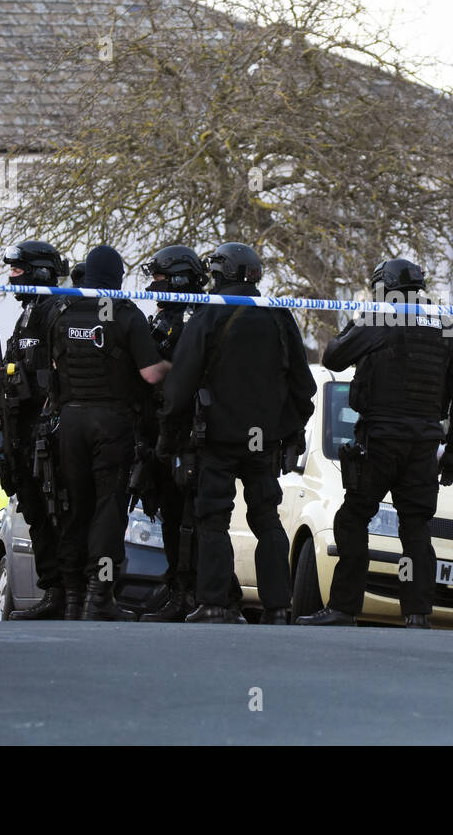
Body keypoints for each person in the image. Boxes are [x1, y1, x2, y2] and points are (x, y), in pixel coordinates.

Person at [297, 259, 453, 629]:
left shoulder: (380, 318)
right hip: (424, 445)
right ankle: (416, 613)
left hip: (380, 440)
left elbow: (333, 356)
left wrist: (360, 321)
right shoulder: (445, 326)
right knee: (415, 529)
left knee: (352, 519)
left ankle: (345, 608)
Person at [159, 242, 315, 624]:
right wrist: (288, 430)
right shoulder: (277, 315)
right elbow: (303, 385)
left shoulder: (210, 314)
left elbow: (181, 382)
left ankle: (214, 603)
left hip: (217, 437)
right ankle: (279, 607)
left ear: (221, 273)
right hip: (264, 441)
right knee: (267, 520)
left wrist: (170, 437)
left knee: (213, 519)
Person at [48, 245, 169, 621]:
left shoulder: (62, 311)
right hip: (110, 423)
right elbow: (150, 374)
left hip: (68, 421)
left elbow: (52, 364)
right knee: (107, 509)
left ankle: (71, 597)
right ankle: (99, 598)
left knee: (73, 507)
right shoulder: (126, 314)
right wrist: (174, 363)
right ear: (117, 276)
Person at [135, 245, 213, 623]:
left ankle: (188, 591)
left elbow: (175, 373)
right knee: (168, 513)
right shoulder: (173, 316)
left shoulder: (193, 319)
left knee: (184, 516)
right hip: (161, 429)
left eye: (161, 279)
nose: (154, 285)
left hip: (185, 433)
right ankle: (177, 582)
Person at [0, 241, 70, 620]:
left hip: (45, 432)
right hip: (22, 433)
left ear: (40, 271)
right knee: (37, 515)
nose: (12, 278)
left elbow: (58, 375)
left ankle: (66, 592)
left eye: (18, 270)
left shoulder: (55, 310)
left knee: (55, 512)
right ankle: (53, 590)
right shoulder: (27, 314)